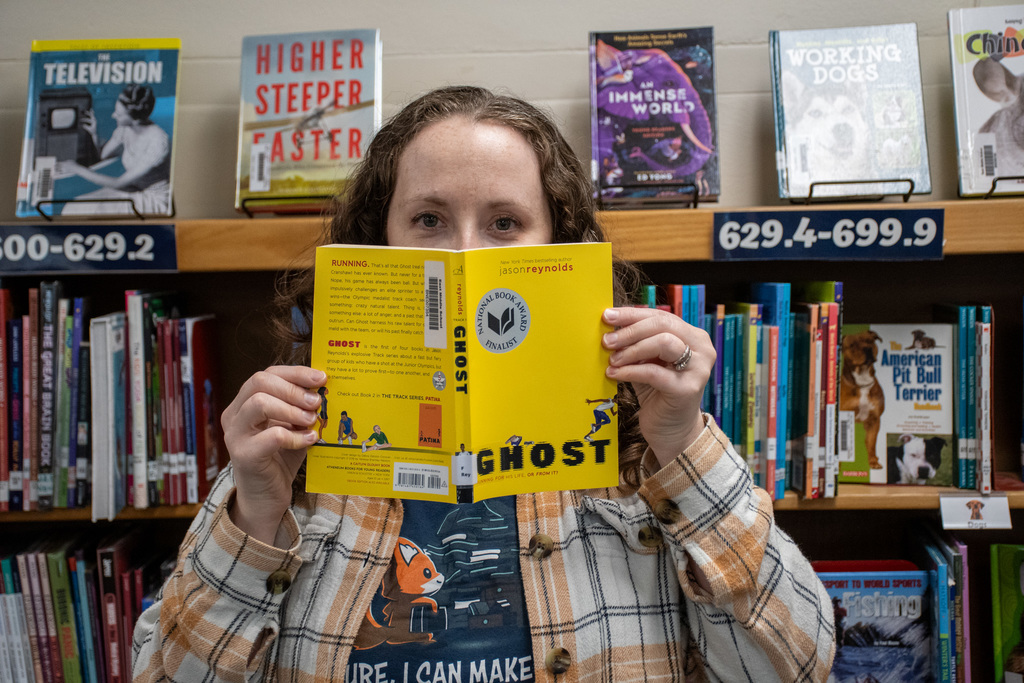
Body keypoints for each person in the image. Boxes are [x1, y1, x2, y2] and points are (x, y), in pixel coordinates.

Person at [133, 85, 835, 682]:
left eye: (504, 223)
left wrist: (683, 447)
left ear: (557, 245)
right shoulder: (300, 451)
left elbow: (794, 664)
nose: (465, 254)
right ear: (380, 242)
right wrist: (256, 510)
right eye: (429, 220)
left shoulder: (640, 450)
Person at [57, 84, 172, 215]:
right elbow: (102, 156)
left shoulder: (158, 142)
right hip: (133, 189)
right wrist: (94, 133)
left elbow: (118, 183)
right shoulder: (125, 129)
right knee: (75, 204)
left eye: (118, 113)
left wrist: (76, 169)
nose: (113, 115)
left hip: (154, 201)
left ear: (134, 119)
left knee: (81, 210)